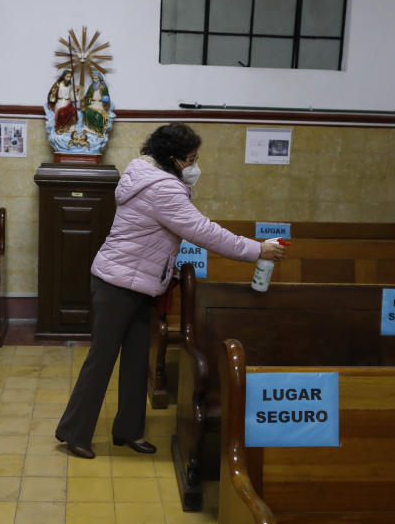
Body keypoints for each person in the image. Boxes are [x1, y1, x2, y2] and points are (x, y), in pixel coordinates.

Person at [55, 123, 286, 458]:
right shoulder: (163, 190)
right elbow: (204, 232)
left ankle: (129, 431)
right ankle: (74, 433)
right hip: (116, 284)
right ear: (174, 160)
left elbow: (154, 240)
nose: (195, 166)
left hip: (136, 283)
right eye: (191, 159)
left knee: (137, 362)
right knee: (101, 360)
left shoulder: (148, 177)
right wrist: (256, 250)